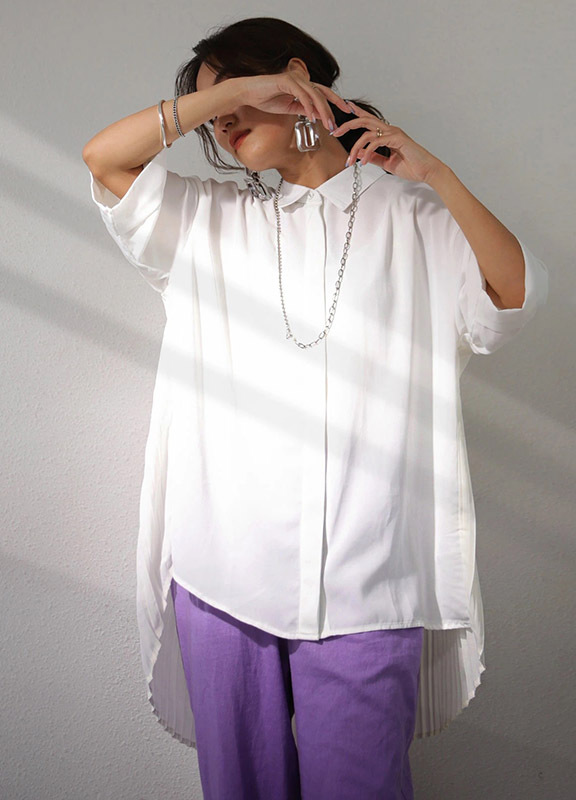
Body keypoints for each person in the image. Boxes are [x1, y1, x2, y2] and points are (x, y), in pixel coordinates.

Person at [82, 16, 549, 800]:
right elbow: (104, 158)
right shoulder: (206, 219)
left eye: (238, 89)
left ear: (296, 74)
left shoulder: (415, 220)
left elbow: (514, 295)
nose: (223, 121)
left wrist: (437, 175)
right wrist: (230, 95)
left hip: (369, 580)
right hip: (222, 571)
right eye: (214, 106)